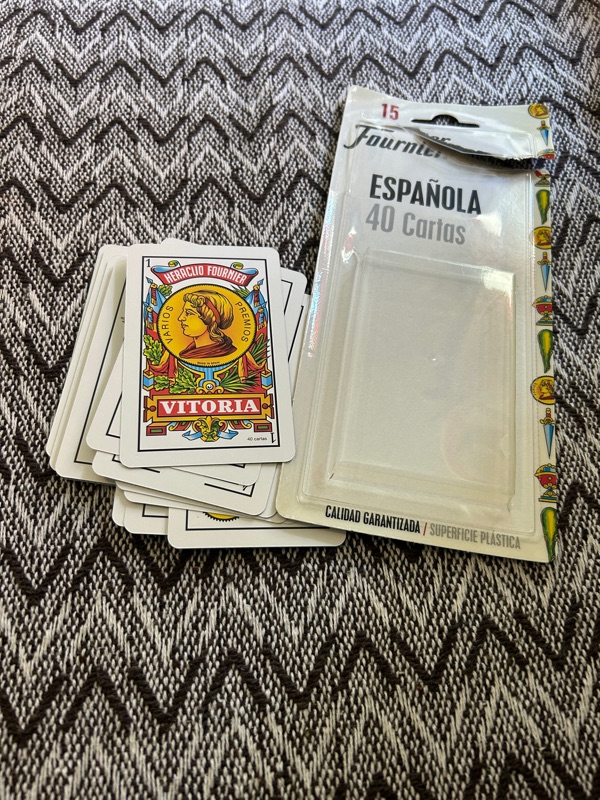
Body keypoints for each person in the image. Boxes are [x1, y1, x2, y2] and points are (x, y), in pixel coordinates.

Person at [177, 290, 236, 360]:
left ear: (210, 318)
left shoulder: (228, 353)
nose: (180, 318)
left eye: (189, 313)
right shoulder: (188, 352)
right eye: (183, 312)